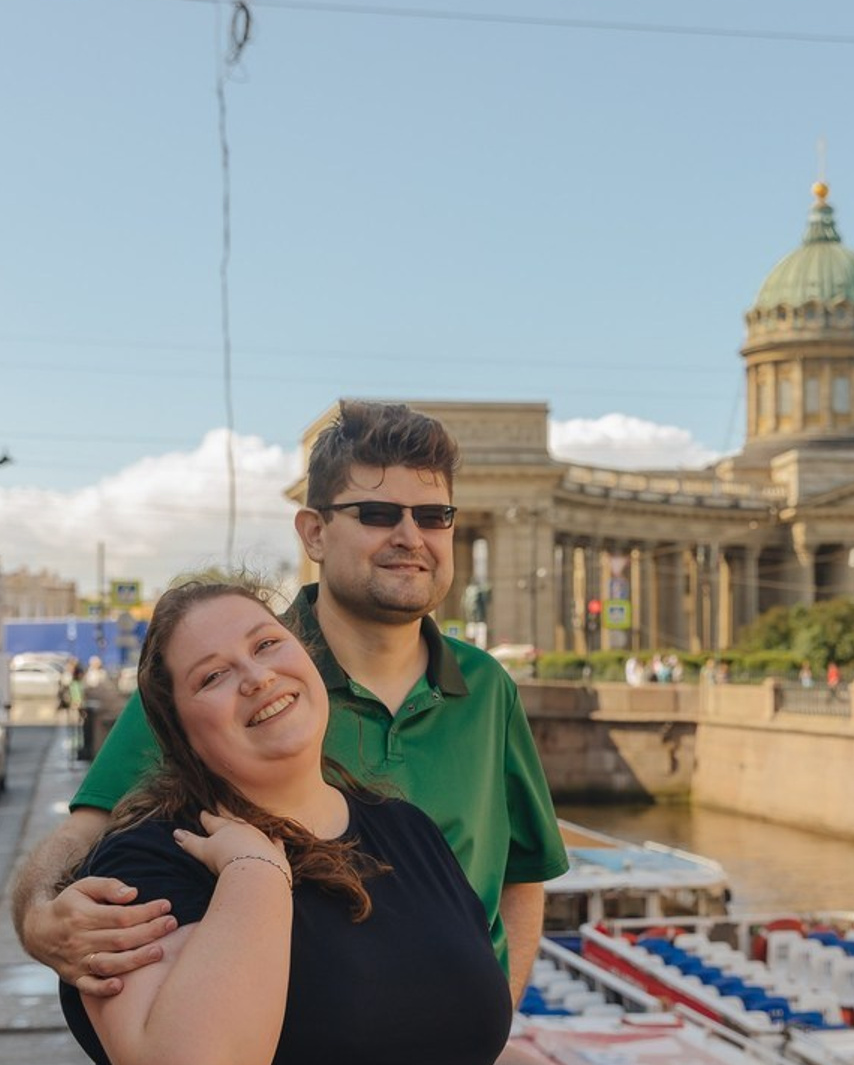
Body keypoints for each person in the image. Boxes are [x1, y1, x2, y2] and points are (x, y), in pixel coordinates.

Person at [51, 579, 630, 1065]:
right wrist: (255, 874)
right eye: (213, 676)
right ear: (179, 733)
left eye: (267, 643)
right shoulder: (149, 864)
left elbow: (436, 1046)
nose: (255, 676)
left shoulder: (407, 832)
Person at [12, 401, 568, 1004]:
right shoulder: (231, 684)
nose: (411, 537)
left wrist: (490, 1023)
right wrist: (38, 915)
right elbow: (87, 830)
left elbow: (520, 876)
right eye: (378, 514)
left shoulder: (487, 686)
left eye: (434, 516)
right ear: (314, 533)